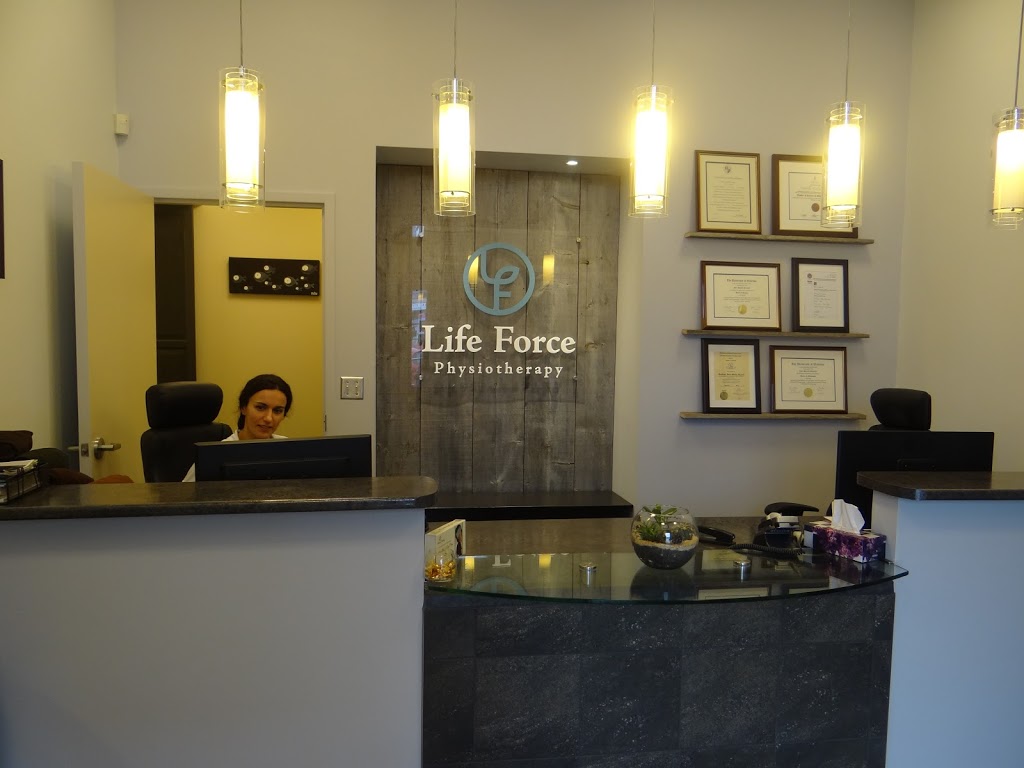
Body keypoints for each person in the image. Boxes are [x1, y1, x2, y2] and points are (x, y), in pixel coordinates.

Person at [182, 374, 293, 482]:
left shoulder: (290, 449)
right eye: (260, 407)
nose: (269, 418)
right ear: (243, 408)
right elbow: (184, 493)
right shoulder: (215, 455)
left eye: (277, 411)